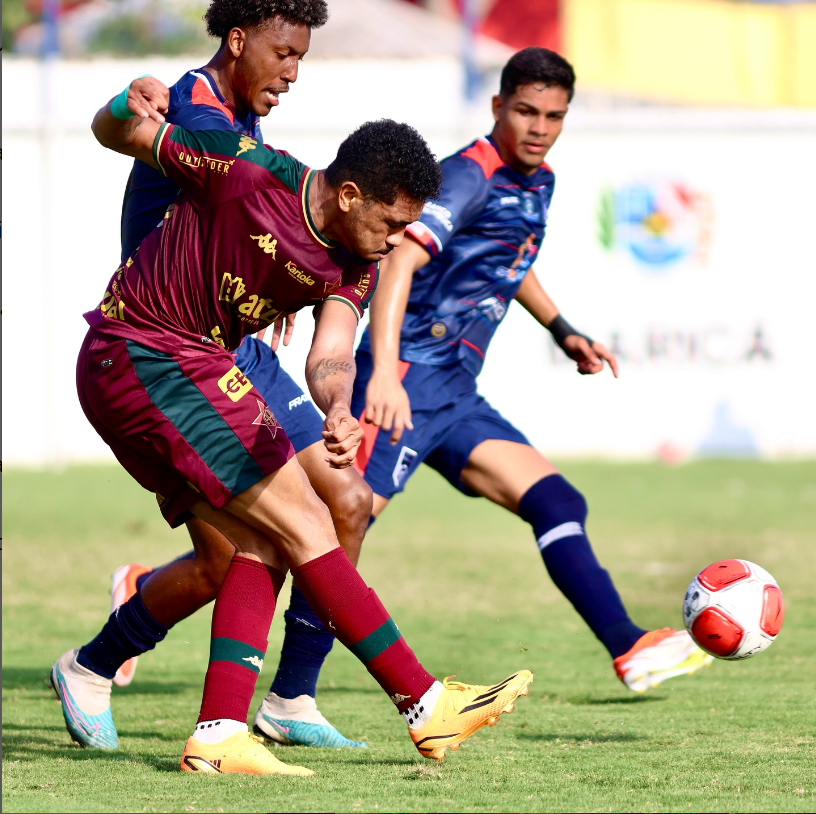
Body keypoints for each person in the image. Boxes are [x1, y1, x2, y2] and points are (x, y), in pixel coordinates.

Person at [50, 76, 533, 775]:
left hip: (188, 366)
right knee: (309, 514)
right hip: (142, 351)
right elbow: (117, 133)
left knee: (256, 544)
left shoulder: (356, 262)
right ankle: (424, 704)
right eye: (392, 223)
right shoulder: (243, 169)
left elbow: (332, 352)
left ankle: (217, 733)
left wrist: (338, 404)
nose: (399, 241)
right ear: (347, 195)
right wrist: (125, 103)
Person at [350, 46, 714, 694]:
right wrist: (381, 373)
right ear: (498, 107)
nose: (539, 128)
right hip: (404, 381)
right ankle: (182, 624)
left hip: (454, 393)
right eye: (525, 111)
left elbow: (504, 264)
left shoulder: (538, 181)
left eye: (554, 115)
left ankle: (629, 647)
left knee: (555, 500)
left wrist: (562, 327)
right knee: (327, 536)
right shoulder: (467, 176)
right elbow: (398, 263)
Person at [74, 0, 370, 750]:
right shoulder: (198, 110)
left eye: (303, 57)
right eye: (284, 53)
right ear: (238, 41)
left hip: (233, 348)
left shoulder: (239, 115)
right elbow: (122, 128)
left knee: (349, 500)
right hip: (172, 353)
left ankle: (292, 695)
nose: (294, 72)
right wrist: (129, 95)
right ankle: (98, 663)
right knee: (228, 558)